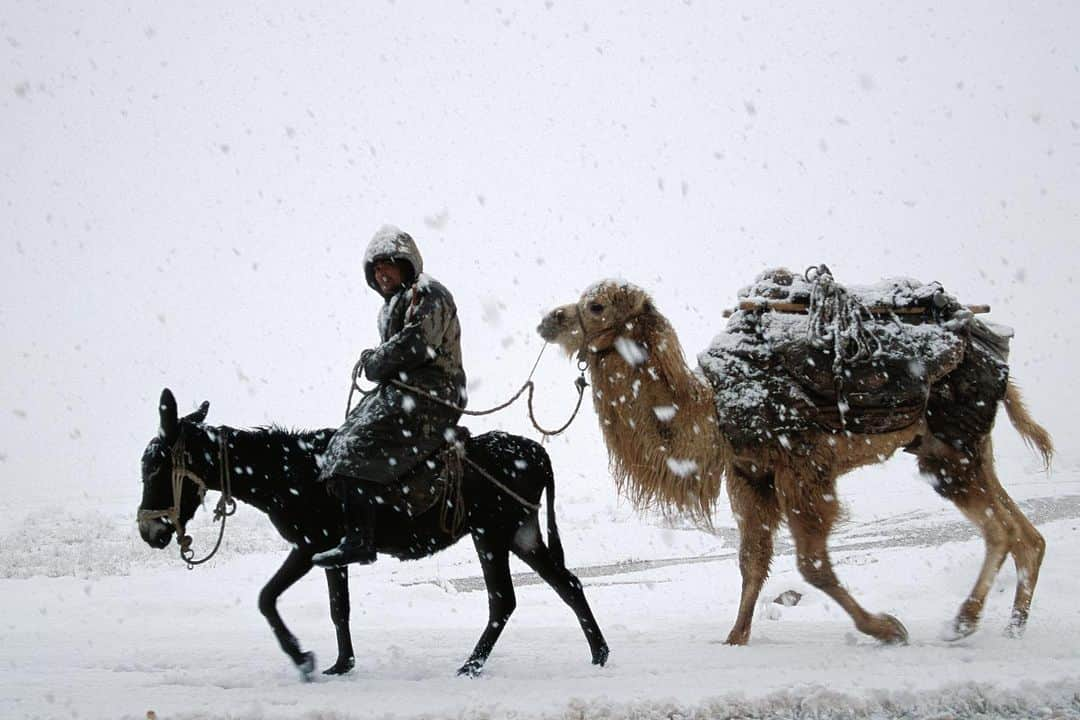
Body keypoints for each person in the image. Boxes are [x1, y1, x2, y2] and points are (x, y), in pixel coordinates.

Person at [313, 225, 467, 567]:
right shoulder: (391, 308)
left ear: (406, 264)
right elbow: (396, 354)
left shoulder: (428, 294)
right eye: (376, 268)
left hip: (434, 392)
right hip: (405, 391)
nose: (382, 273)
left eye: (388, 265)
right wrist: (379, 361)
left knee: (358, 442)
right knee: (341, 440)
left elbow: (417, 344)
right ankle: (364, 526)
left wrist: (375, 362)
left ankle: (361, 539)